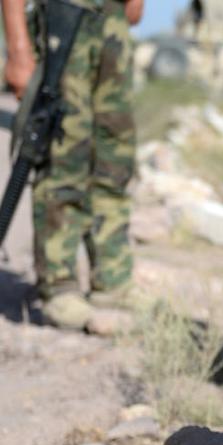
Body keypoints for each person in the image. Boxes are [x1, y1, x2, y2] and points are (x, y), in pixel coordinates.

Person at [2, 0, 143, 329]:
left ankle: (113, 279)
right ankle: (58, 283)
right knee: (63, 152)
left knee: (115, 155)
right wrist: (18, 49)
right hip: (62, 16)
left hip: (112, 20)